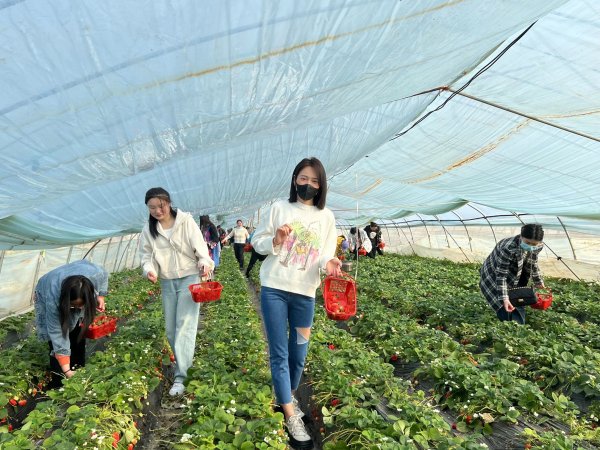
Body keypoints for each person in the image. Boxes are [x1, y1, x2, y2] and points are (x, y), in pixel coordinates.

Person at [251, 157, 342, 448]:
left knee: (299, 353)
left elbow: (325, 253)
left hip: (305, 293)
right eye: (304, 178)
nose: (308, 185)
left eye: (314, 181)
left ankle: (286, 396)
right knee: (279, 353)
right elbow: (258, 242)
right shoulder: (279, 208)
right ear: (294, 180)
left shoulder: (326, 217)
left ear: (321, 185)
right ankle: (290, 415)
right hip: (274, 289)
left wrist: (330, 263)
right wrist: (276, 239)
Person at [140, 187, 214, 396]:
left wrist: (204, 263)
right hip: (167, 281)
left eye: (161, 206)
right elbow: (146, 256)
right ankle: (184, 366)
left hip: (190, 278)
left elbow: (201, 249)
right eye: (152, 208)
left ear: (169, 203)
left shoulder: (185, 222)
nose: (157, 211)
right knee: (171, 331)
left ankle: (181, 377)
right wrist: (149, 270)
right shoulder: (148, 229)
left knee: (184, 326)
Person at [34, 259, 108, 388]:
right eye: (73, 305)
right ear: (66, 301)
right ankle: (59, 381)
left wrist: (100, 296)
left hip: (75, 285)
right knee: (58, 337)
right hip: (46, 288)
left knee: (78, 329)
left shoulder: (96, 274)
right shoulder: (53, 299)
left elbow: (104, 275)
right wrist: (66, 370)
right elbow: (57, 333)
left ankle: (78, 367)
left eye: (81, 305)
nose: (78, 308)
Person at [480, 223, 546, 325]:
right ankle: (508, 324)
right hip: (494, 273)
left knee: (518, 298)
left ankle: (516, 324)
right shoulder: (508, 248)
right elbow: (501, 276)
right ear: (521, 236)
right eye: (527, 242)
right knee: (503, 304)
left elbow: (533, 262)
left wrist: (538, 281)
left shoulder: (538, 245)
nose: (530, 246)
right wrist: (505, 298)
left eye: (534, 244)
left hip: (517, 271)